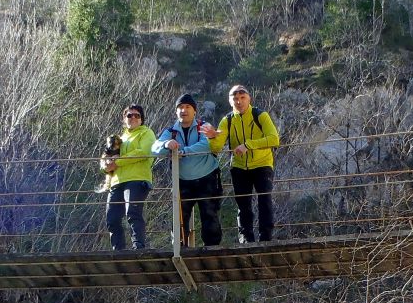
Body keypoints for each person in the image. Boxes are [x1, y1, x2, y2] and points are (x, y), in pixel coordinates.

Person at [203, 84, 280, 243]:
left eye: (242, 97)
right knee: (243, 204)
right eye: (235, 98)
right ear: (230, 101)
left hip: (262, 164)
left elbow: (274, 139)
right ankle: (246, 239)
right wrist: (211, 136)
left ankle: (266, 238)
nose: (239, 101)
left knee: (264, 199)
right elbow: (217, 148)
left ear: (249, 99)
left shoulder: (260, 115)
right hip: (238, 167)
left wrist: (248, 145)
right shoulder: (228, 120)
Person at [152, 93, 223, 247]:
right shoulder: (171, 132)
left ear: (195, 111)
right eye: (180, 107)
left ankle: (212, 250)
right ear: (176, 111)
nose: (184, 110)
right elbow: (154, 148)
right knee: (179, 218)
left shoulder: (204, 126)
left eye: (188, 107)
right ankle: (179, 249)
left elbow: (206, 145)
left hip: (207, 177)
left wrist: (183, 151)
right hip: (182, 181)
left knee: (209, 214)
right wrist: (166, 145)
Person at [103, 104, 157, 250]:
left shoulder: (146, 133)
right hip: (116, 182)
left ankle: (138, 247)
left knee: (132, 213)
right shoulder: (118, 138)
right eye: (129, 115)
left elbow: (144, 151)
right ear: (124, 119)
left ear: (141, 119)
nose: (133, 117)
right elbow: (106, 157)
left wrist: (117, 162)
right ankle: (117, 250)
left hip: (137, 179)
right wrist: (105, 165)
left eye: (137, 115)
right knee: (112, 219)